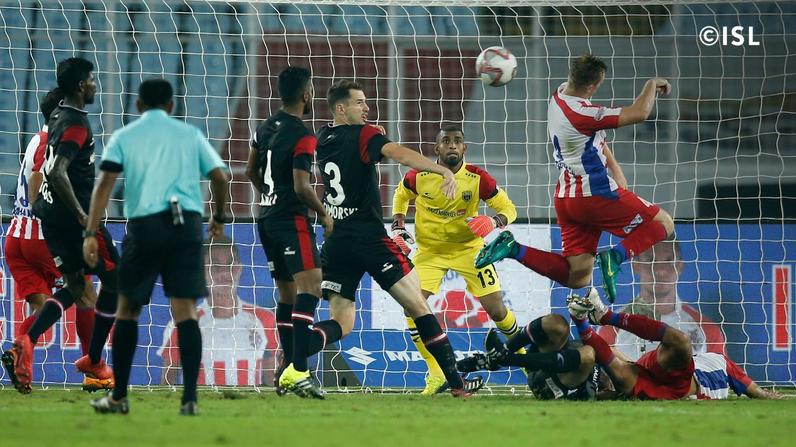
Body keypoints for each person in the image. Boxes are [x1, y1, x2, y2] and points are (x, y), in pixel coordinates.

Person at [300, 79, 482, 398]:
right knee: (419, 306)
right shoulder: (367, 135)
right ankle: (456, 383)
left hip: (337, 241)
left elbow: (356, 156)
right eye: (359, 103)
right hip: (370, 240)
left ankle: (292, 361)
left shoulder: (324, 137)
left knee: (341, 323)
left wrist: (372, 137)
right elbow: (400, 154)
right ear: (341, 108)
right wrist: (443, 172)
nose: (367, 107)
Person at [475, 53, 675, 303]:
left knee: (577, 275)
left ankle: (514, 248)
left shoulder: (559, 95)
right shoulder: (583, 114)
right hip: (595, 195)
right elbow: (641, 112)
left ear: (570, 76)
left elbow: (594, 137)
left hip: (567, 197)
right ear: (592, 86)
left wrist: (616, 168)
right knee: (664, 223)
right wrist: (651, 85)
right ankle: (615, 257)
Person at [83, 78, 230, 415]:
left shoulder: (125, 136)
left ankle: (118, 397)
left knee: (128, 310)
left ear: (138, 105)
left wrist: (91, 232)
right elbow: (221, 176)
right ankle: (190, 399)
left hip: (145, 227)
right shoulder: (189, 135)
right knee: (185, 311)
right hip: (186, 227)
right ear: (171, 106)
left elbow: (104, 184)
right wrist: (219, 215)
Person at [4, 58, 120, 394]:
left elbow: (37, 180)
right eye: (92, 80)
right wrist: (81, 218)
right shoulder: (71, 126)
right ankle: (92, 363)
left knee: (69, 294)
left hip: (21, 231)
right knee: (101, 286)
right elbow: (47, 175)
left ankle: (29, 345)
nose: (95, 84)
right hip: (51, 228)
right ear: (82, 86)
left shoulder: (43, 131)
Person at [391, 124, 522, 395]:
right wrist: (398, 225)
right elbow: (401, 195)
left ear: (464, 148)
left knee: (497, 311)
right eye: (446, 141)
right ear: (436, 148)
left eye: (458, 141)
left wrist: (493, 220)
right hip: (430, 252)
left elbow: (509, 208)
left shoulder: (478, 178)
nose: (452, 145)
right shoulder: (419, 175)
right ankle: (436, 372)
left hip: (469, 250)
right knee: (411, 307)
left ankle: (524, 359)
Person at [245, 66, 333, 398]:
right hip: (290, 220)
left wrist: (268, 195)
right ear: (306, 93)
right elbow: (301, 185)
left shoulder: (263, 127)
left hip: (265, 218)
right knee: (311, 286)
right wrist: (323, 213)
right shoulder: (304, 134)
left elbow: (251, 170)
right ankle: (298, 369)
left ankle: (286, 370)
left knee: (287, 294)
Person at [567, 287, 781, 400]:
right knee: (680, 342)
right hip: (675, 376)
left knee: (622, 380)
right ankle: (605, 317)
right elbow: (753, 389)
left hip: (675, 391)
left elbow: (753, 389)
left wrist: (769, 396)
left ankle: (580, 319)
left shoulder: (724, 363)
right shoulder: (714, 360)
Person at [159, 237, 278, 387]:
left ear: (239, 268)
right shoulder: (183, 323)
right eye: (215, 266)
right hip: (204, 408)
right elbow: (166, 384)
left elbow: (272, 380)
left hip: (252, 408)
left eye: (230, 264)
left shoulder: (265, 319)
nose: (224, 273)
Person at [599, 239, 726, 359]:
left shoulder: (706, 330)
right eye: (650, 260)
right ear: (635, 266)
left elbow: (721, 378)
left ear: (680, 266)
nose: (660, 271)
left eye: (669, 261)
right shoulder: (611, 328)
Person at [457, 316, 600, 401]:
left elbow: (601, 393)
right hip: (554, 359)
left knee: (588, 354)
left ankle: (503, 359)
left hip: (554, 387)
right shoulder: (618, 360)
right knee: (558, 324)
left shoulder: (621, 382)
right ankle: (502, 352)